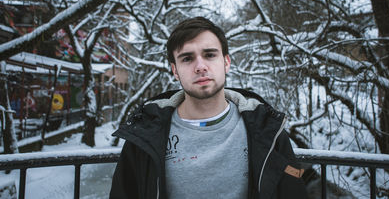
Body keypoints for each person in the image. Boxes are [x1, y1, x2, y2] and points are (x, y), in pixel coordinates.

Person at [109, 17, 308, 199]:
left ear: (226, 62)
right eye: (187, 58)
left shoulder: (266, 129)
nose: (200, 66)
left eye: (210, 54)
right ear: (175, 71)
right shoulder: (145, 134)